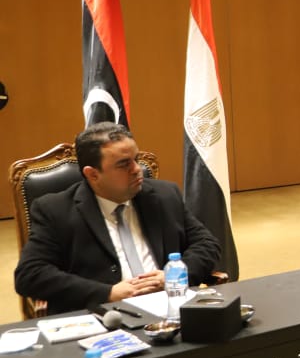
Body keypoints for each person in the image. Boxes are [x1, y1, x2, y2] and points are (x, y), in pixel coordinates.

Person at [15, 123, 221, 315]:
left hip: (170, 308)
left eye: (136, 159)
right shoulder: (56, 210)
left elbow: (207, 244)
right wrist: (108, 293)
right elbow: (30, 274)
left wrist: (172, 276)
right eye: (123, 164)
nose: (137, 169)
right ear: (93, 174)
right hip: (105, 317)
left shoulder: (164, 195)